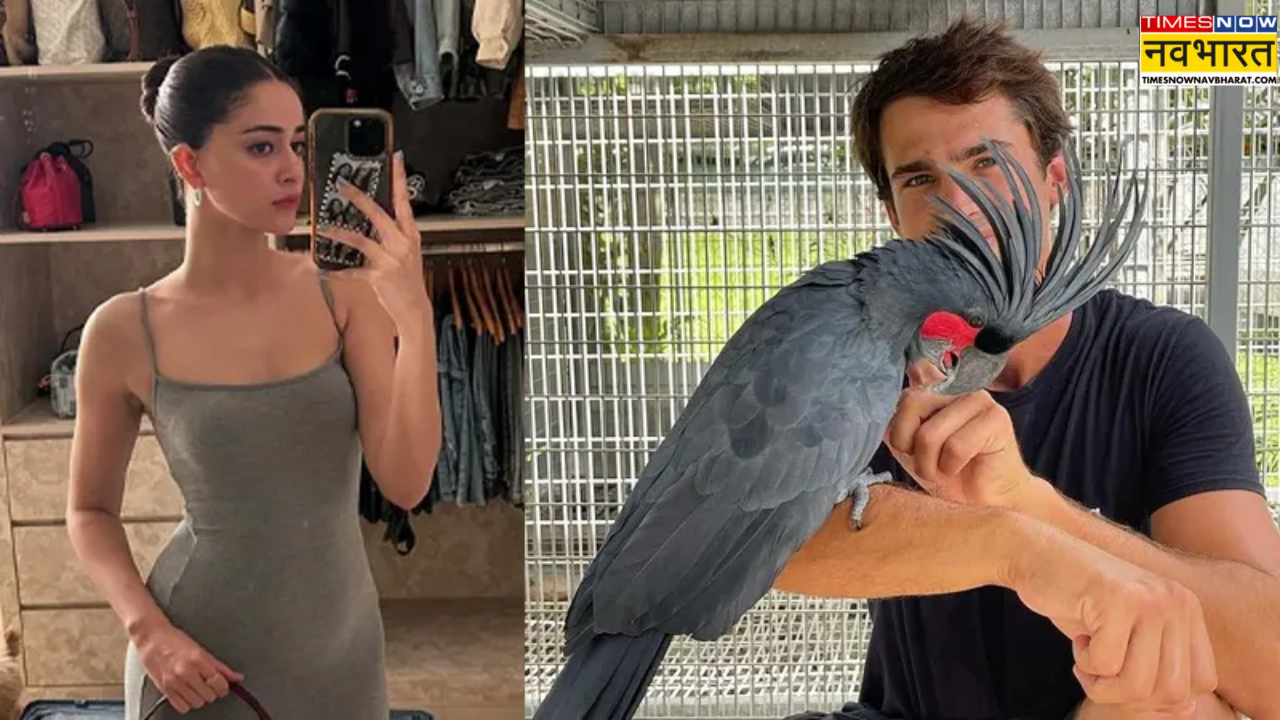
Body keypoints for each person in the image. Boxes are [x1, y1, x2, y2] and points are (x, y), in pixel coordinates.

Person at [774, 18, 1280, 720]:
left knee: (1177, 704)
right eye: (919, 178)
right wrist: (1008, 545)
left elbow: (1271, 665)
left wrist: (1028, 504)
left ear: (1054, 179)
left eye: (988, 163)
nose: (960, 206)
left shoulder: (1162, 359)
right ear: (891, 213)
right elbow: (766, 545)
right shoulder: (859, 354)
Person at [65, 46, 442, 718]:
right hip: (198, 668)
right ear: (190, 165)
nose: (293, 169)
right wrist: (149, 634)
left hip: (342, 659)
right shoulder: (123, 329)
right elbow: (89, 512)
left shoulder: (343, 295)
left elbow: (406, 482)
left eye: (298, 144)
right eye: (262, 147)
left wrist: (414, 317)